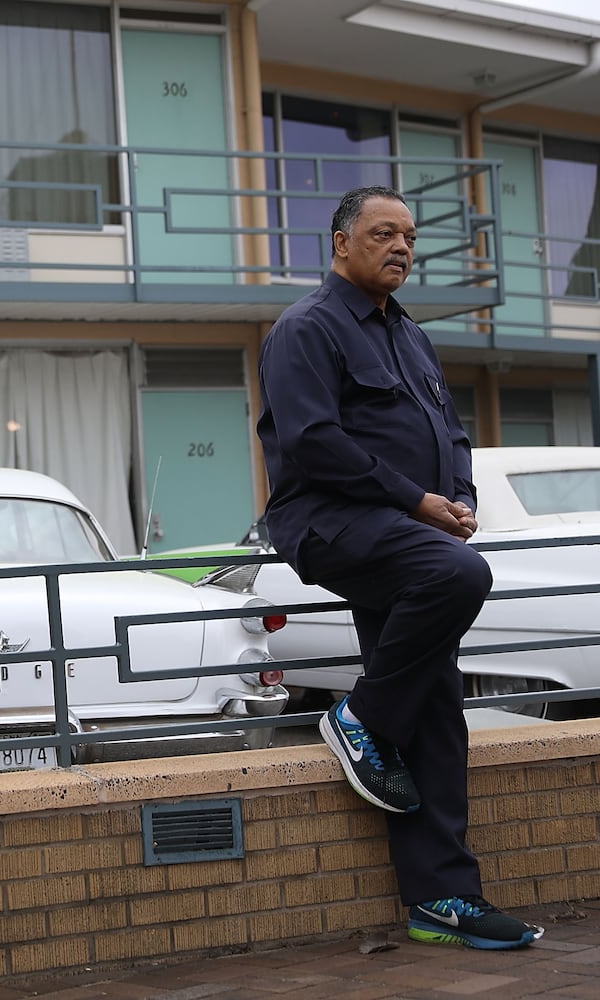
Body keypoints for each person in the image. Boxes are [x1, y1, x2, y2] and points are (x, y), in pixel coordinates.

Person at [256, 185, 543, 950]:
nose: (402, 248)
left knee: (437, 701)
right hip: (328, 522)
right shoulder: (304, 329)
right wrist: (419, 504)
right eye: (384, 233)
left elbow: (451, 431)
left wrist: (459, 498)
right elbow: (315, 442)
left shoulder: (410, 336)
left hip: (406, 528)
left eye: (409, 237)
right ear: (341, 243)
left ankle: (442, 899)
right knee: (458, 577)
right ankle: (359, 718)